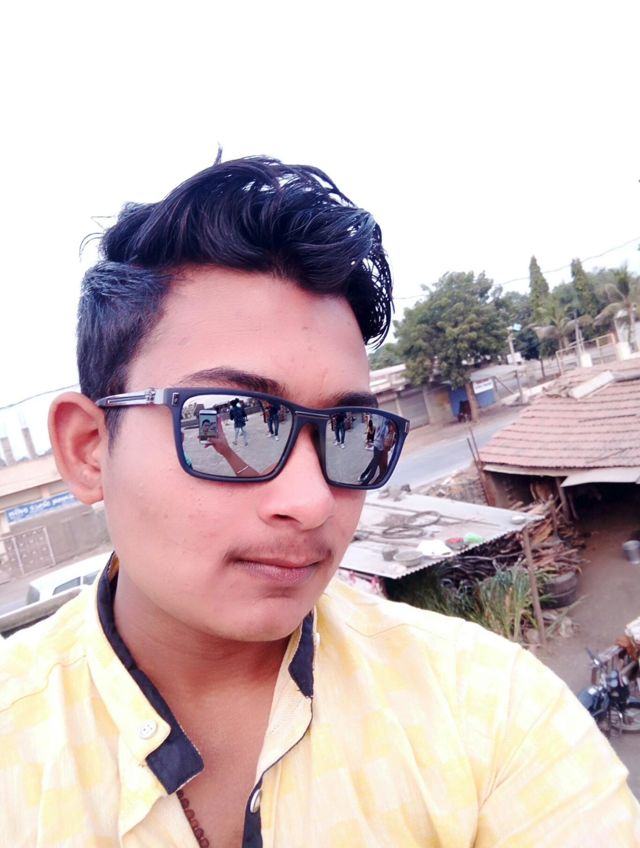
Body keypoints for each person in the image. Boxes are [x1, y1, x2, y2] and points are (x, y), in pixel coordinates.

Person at [1, 155, 638, 848]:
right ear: (89, 448)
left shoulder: (488, 710)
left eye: (352, 433)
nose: (310, 502)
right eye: (233, 424)